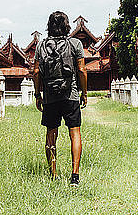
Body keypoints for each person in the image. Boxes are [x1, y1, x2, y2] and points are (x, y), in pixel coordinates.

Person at [33, 11, 87, 187]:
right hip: (70, 95)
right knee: (75, 133)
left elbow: (35, 72)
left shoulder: (41, 46)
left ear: (49, 26)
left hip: (50, 96)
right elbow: (81, 70)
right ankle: (75, 176)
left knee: (51, 133)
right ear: (67, 26)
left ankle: (53, 173)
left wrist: (37, 94)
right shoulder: (75, 43)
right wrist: (84, 92)